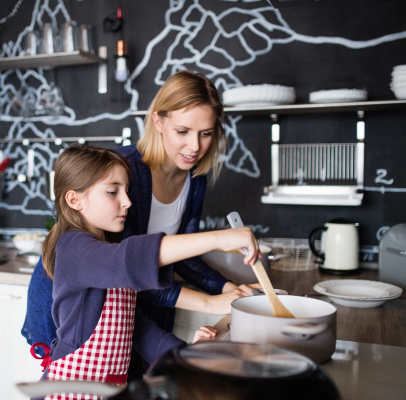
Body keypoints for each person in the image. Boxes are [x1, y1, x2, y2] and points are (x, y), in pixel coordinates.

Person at [22, 70, 261, 371]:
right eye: (183, 131)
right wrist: (212, 283)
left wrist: (225, 288)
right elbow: (131, 263)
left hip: (123, 313)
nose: (195, 147)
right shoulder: (124, 174)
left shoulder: (193, 179)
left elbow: (178, 257)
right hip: (74, 317)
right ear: (158, 122)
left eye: (206, 133)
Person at [38, 145, 259, 395]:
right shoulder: (73, 249)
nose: (128, 202)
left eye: (126, 190)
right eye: (113, 192)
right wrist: (219, 239)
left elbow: (137, 329)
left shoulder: (107, 248)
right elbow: (126, 259)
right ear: (74, 199)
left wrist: (184, 355)